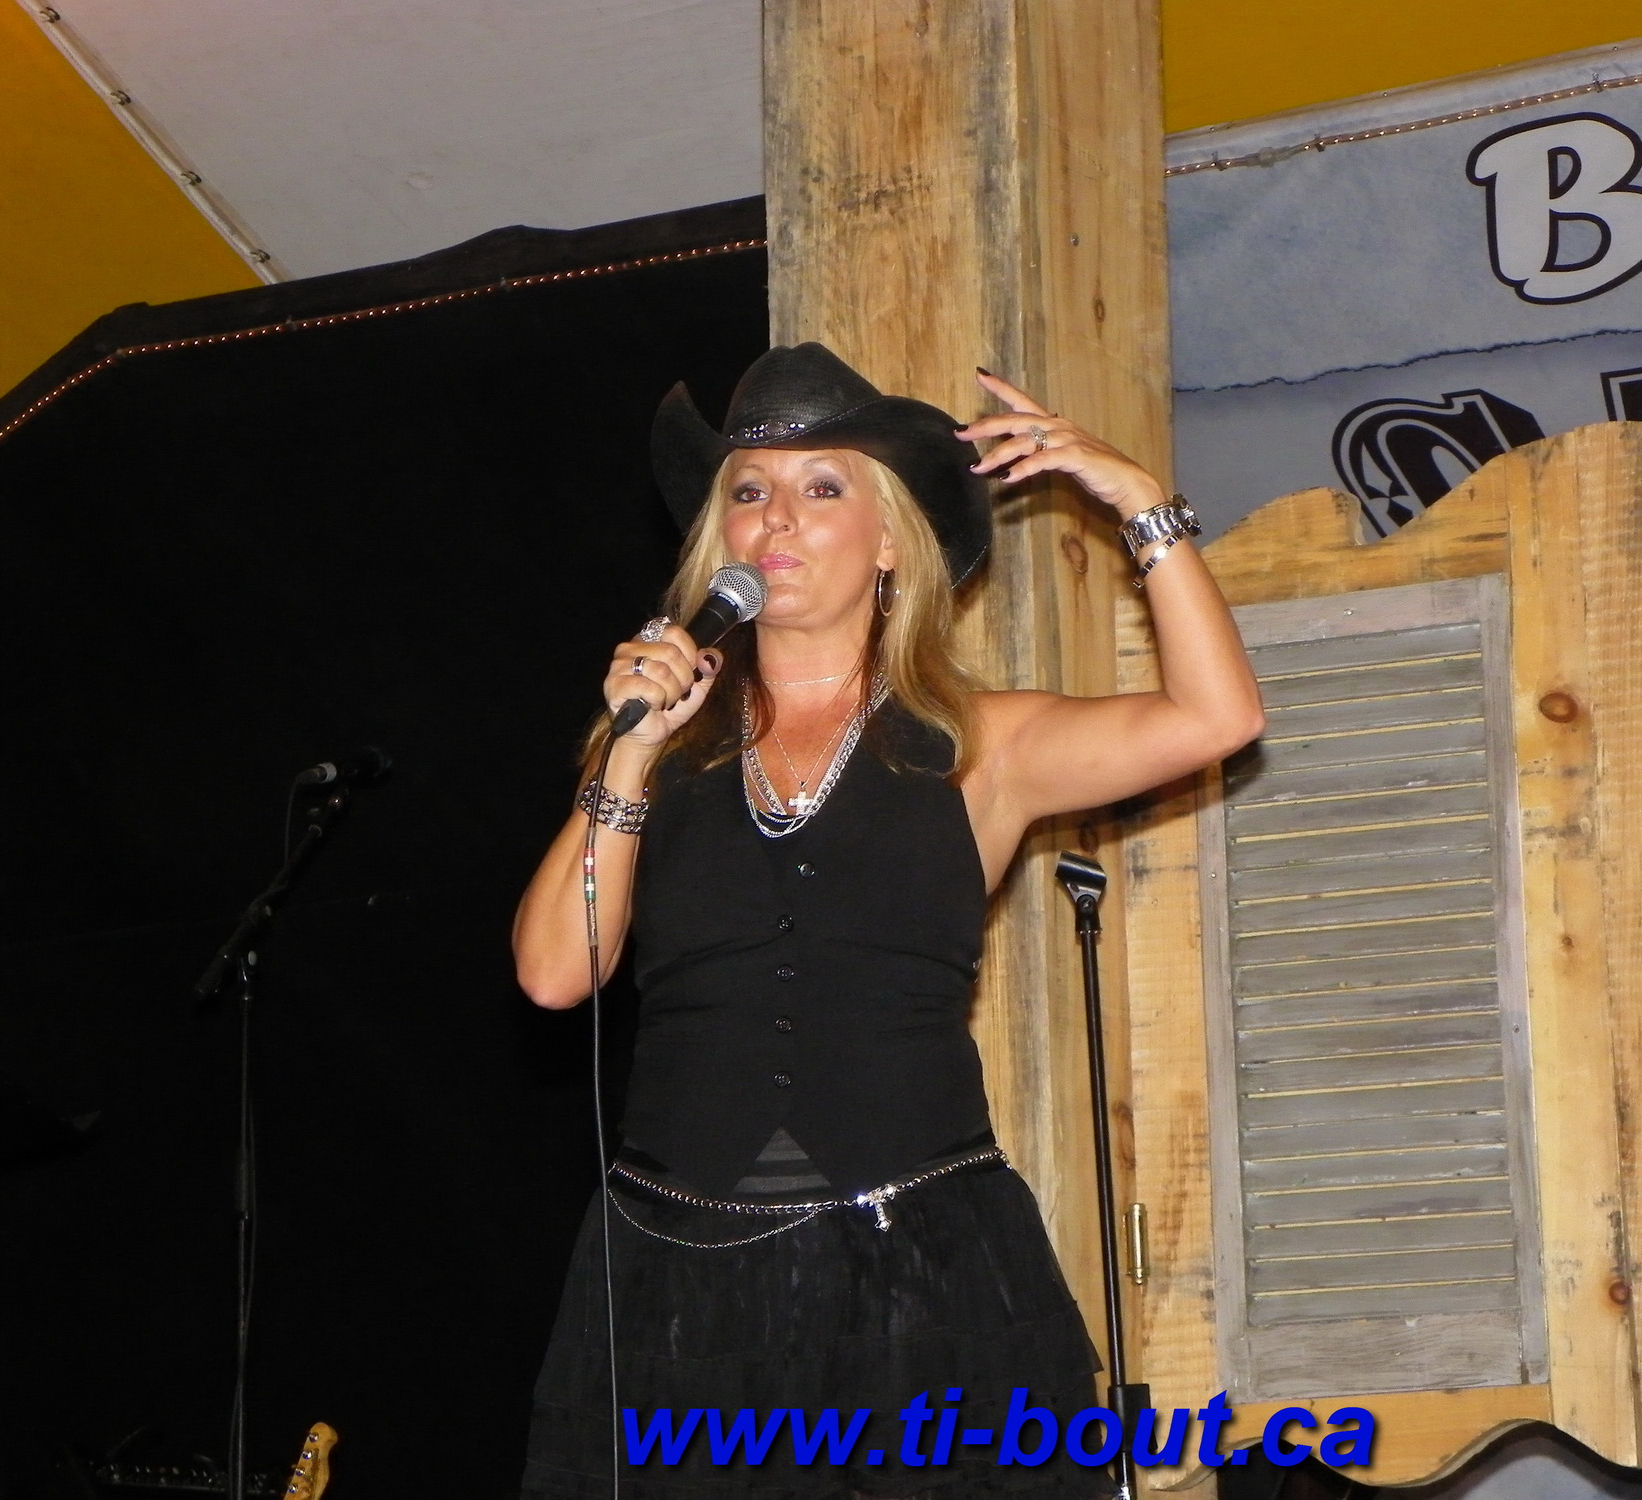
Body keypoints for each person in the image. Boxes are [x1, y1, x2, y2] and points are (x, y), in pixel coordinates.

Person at [512, 344, 1263, 1500]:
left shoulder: (980, 743)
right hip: (678, 1281)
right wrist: (626, 754)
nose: (777, 518)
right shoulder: (661, 751)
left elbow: (1216, 718)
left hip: (919, 1270)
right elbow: (553, 975)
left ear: (891, 542)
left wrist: (1136, 503)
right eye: (749, 490)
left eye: (821, 488)